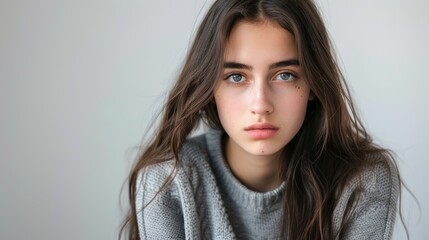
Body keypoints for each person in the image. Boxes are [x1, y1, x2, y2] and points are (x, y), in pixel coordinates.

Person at [120, 0, 403, 239]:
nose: (261, 104)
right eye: (236, 77)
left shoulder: (362, 181)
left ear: (314, 85)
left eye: (285, 75)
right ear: (209, 88)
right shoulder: (168, 180)